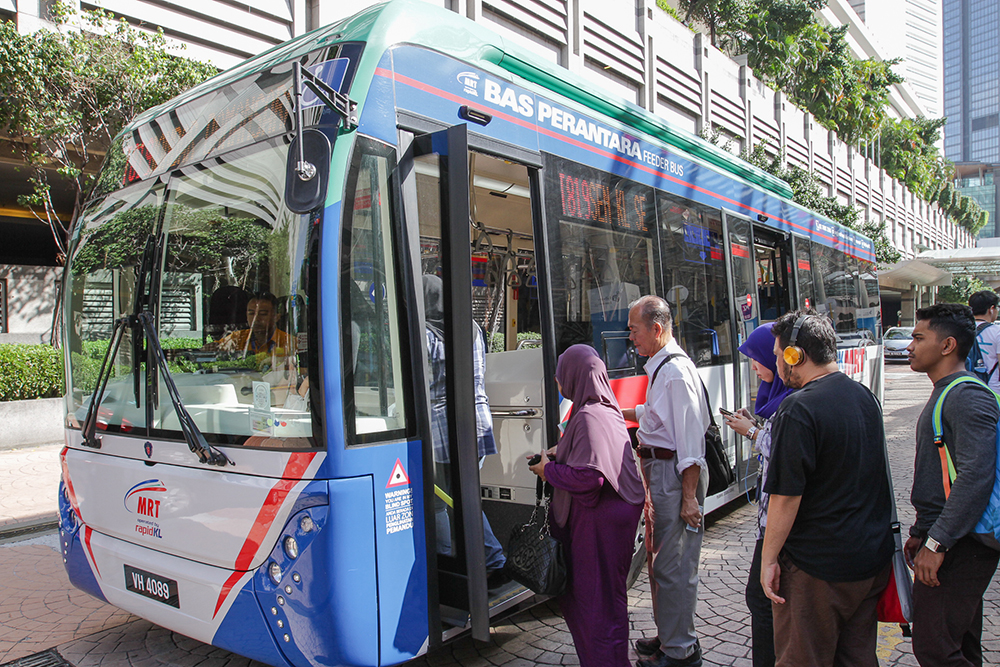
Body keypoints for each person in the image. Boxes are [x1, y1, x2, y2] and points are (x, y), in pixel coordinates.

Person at [760, 310, 894, 667]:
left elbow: (786, 496)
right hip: (868, 561)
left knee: (802, 658)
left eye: (778, 354)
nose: (776, 362)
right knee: (857, 657)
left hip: (818, 570)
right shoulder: (864, 397)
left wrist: (769, 559)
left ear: (795, 356)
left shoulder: (799, 408)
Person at [527, 344, 645, 667]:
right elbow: (591, 455)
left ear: (575, 376)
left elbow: (590, 478)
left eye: (562, 374)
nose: (558, 381)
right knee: (607, 602)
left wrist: (547, 470)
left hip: (597, 527)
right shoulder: (604, 408)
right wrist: (557, 454)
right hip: (612, 522)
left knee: (596, 608)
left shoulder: (589, 417)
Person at [904, 303, 1000, 667]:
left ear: (946, 346)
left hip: (965, 543)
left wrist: (937, 541)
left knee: (934, 646)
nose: (909, 346)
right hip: (953, 537)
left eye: (918, 337)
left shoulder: (966, 396)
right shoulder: (949, 391)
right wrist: (921, 530)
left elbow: (976, 476)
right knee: (961, 644)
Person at [621, 295, 709, 667]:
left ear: (656, 329)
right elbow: (657, 416)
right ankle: (670, 635)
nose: (631, 338)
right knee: (661, 564)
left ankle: (680, 651)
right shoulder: (662, 366)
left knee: (674, 567)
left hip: (675, 478)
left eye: (634, 330)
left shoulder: (674, 372)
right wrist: (620, 412)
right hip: (662, 474)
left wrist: (689, 497)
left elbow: (690, 445)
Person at [423, 275, 506, 579]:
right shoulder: (470, 328)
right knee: (464, 497)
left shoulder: (428, 335)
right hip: (477, 425)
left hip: (444, 433)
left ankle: (451, 567)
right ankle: (490, 561)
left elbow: (423, 385)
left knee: (438, 504)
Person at [721, 323, 794, 667]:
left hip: (780, 528)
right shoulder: (776, 398)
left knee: (761, 599)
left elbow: (784, 451)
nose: (755, 365)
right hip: (772, 524)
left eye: (760, 358)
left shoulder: (793, 403)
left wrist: (750, 431)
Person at [208, 292, 293, 356]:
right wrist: (213, 348)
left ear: (276, 317)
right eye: (251, 314)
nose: (256, 319)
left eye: (263, 314)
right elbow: (216, 348)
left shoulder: (289, 343)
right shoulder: (237, 338)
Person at [968, 290, 1000, 392]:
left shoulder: (960, 330)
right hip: (993, 389)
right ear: (991, 309)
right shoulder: (997, 332)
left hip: (967, 387)